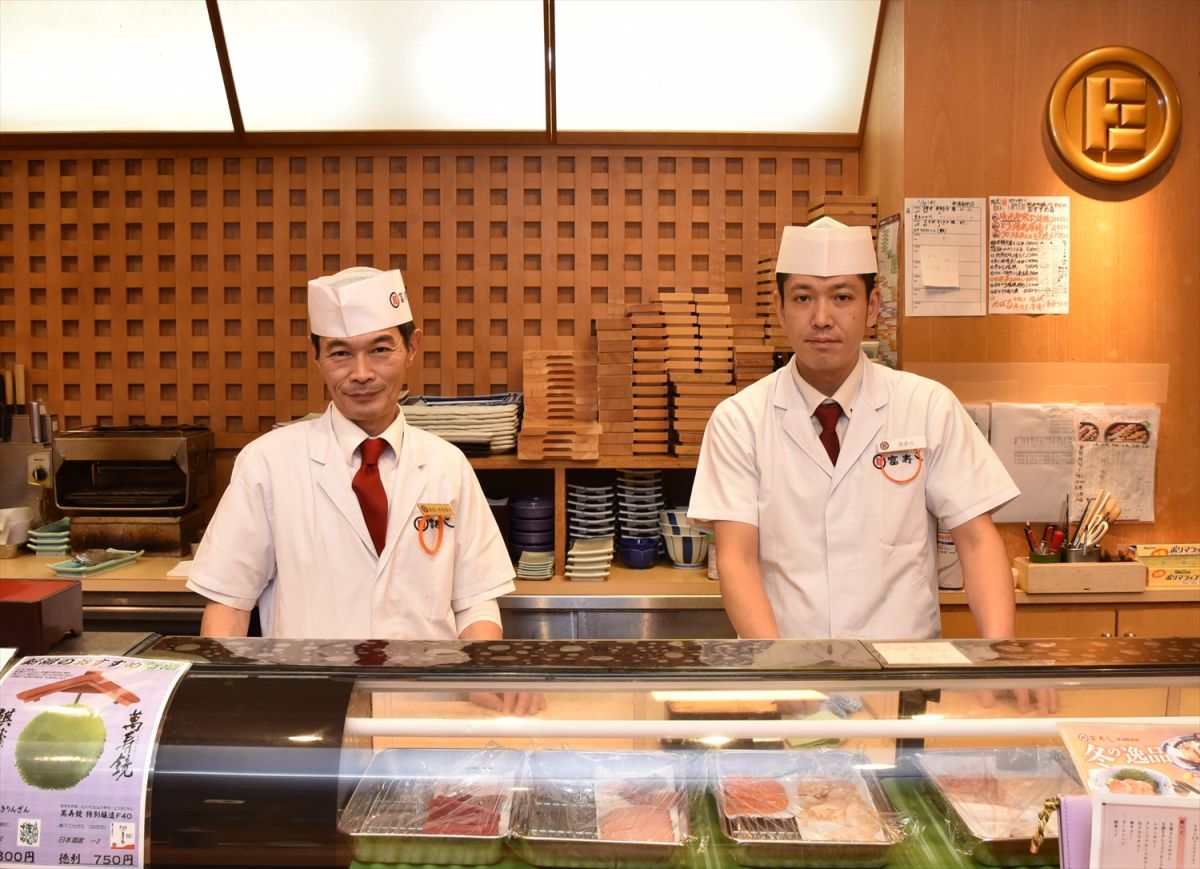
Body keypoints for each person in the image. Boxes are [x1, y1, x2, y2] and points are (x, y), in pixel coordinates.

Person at [188, 266, 541, 713]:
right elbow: (229, 605)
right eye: (340, 353)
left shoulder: (447, 465)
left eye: (380, 349)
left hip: (428, 707)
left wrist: (483, 674)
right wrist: (220, 702)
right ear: (316, 357)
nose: (361, 373)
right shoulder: (267, 463)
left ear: (412, 347)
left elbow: (475, 601)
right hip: (308, 710)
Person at [688, 218, 1021, 646]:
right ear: (779, 307)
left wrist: (1001, 655)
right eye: (803, 298)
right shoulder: (739, 421)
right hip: (788, 665)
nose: (822, 318)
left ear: (873, 306)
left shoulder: (927, 406)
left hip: (903, 669)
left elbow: (976, 541)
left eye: (842, 297)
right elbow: (737, 560)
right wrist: (779, 668)